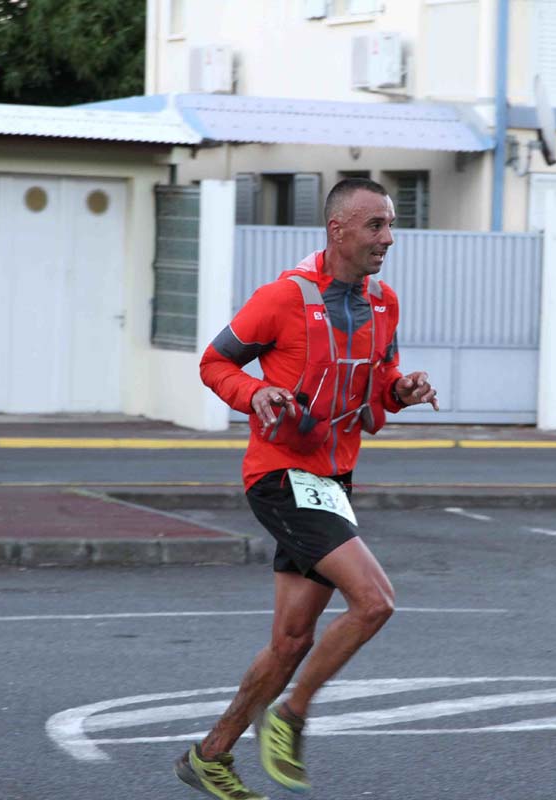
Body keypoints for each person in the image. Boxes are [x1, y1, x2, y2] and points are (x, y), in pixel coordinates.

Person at [174, 178, 438, 800]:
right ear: (338, 229)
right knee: (374, 602)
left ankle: (209, 756)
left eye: (391, 225)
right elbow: (216, 363)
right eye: (375, 226)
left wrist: (402, 391)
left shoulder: (385, 303)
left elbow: (381, 380)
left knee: (292, 641)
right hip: (280, 475)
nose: (388, 238)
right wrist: (255, 391)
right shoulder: (283, 299)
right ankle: (290, 716)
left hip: (333, 479)